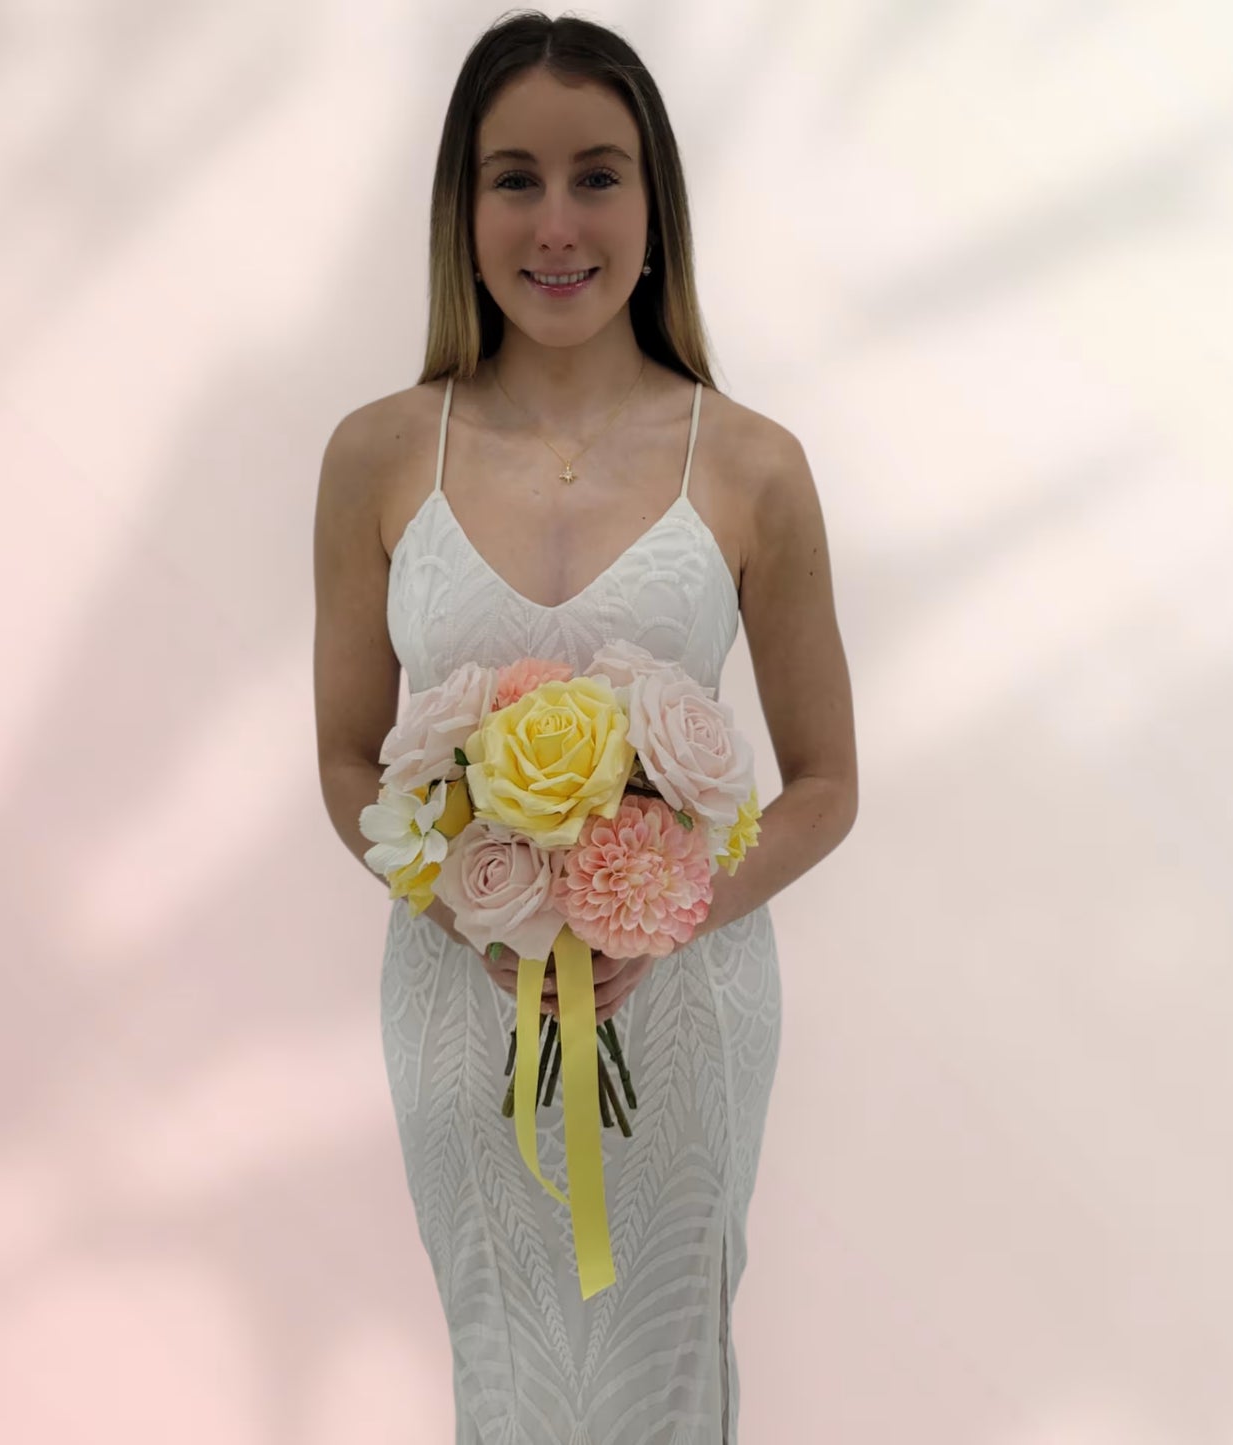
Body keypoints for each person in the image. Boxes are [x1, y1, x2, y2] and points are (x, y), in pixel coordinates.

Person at [312, 12, 858, 1443]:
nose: (557, 223)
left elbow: (824, 782)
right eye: (515, 180)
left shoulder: (752, 464)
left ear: (654, 203)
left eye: (597, 176)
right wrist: (465, 907)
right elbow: (347, 757)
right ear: (463, 208)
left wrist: (665, 914)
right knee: (503, 1370)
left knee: (667, 1371)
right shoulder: (378, 454)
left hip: (684, 1002)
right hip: (463, 991)